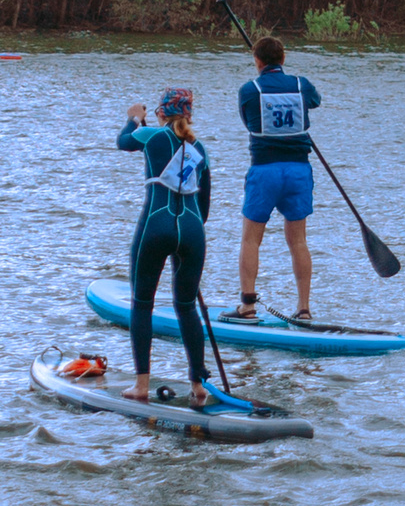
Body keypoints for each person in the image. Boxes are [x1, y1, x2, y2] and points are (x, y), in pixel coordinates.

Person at [118, 88, 213, 408]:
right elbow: (205, 206)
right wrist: (187, 237)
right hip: (192, 230)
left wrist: (133, 116)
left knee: (142, 303)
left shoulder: (151, 135)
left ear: (161, 112)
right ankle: (199, 387)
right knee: (186, 306)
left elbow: (124, 141)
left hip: (155, 226)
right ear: (189, 114)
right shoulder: (200, 148)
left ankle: (141, 385)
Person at [234, 34, 322, 321]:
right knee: (298, 241)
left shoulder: (250, 89)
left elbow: (248, 121)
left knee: (251, 240)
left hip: (265, 170)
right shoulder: (301, 84)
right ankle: (305, 308)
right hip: (298, 171)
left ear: (256, 61)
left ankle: (247, 306)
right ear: (283, 59)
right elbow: (315, 102)